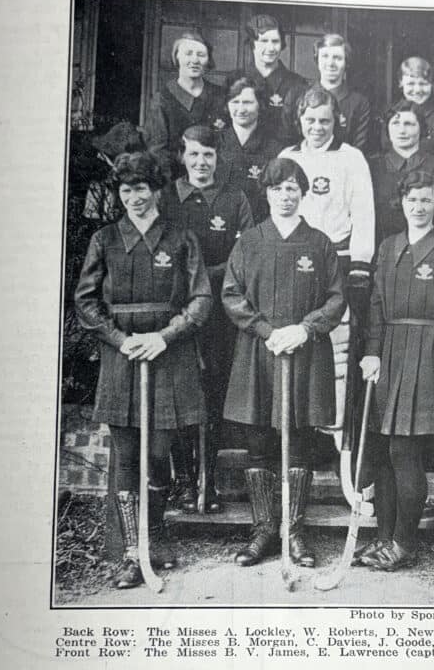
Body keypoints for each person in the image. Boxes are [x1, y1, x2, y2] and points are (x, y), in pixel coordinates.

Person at [74, 150, 212, 589]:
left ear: (156, 191)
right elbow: (86, 301)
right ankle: (133, 552)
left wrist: (164, 337)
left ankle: (156, 536)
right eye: (126, 189)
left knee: (159, 454)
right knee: (129, 455)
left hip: (168, 355)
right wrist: (121, 339)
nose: (134, 197)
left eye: (142, 189)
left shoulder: (180, 238)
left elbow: (201, 299)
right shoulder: (105, 240)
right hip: (123, 357)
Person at [222, 158, 346, 568]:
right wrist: (266, 330)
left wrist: (306, 328)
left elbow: (336, 297)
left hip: (305, 354)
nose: (286, 195)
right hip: (261, 352)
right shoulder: (250, 241)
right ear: (268, 194)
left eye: (293, 187)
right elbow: (231, 293)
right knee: (258, 441)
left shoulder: (320, 243)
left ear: (303, 193)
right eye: (278, 189)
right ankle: (262, 530)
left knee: (300, 443)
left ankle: (294, 531)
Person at [357, 170, 434, 571]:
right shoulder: (388, 247)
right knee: (387, 452)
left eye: (425, 200)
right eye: (412, 200)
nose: (418, 207)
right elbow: (375, 307)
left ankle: (403, 545)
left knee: (406, 453)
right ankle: (384, 539)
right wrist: (372, 352)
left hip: (430, 358)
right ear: (402, 203)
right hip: (390, 355)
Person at [160, 125, 254, 514]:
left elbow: (244, 254)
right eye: (194, 154)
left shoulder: (235, 200)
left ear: (219, 158)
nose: (201, 162)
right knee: (182, 393)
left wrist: (208, 280)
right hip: (176, 311)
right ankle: (184, 482)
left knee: (212, 394)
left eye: (209, 155)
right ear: (182, 156)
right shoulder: (166, 199)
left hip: (220, 313)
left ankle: (208, 481)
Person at [279, 86, 375, 432]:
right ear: (299, 120)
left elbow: (363, 213)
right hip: (295, 262)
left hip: (338, 259)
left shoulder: (351, 157)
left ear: (336, 121)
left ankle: (334, 433)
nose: (317, 127)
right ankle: (297, 431)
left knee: (336, 347)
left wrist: (360, 264)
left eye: (324, 120)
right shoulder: (287, 156)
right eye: (310, 120)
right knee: (297, 336)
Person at [368, 100, 434, 244]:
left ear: (422, 129)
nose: (402, 130)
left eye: (409, 124)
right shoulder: (372, 167)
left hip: (428, 253)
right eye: (395, 124)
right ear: (387, 129)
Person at [142, 28, 226, 176]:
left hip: (215, 177)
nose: (194, 60)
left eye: (201, 55)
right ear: (177, 57)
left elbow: (228, 143)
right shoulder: (163, 99)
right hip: (176, 179)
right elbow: (157, 151)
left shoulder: (220, 96)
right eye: (188, 54)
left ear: (208, 60)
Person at [217, 76, 287, 223]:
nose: (241, 109)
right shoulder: (214, 143)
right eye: (235, 102)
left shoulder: (275, 149)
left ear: (260, 105)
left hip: (259, 225)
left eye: (248, 102)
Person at [286, 33, 371, 152]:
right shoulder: (296, 95)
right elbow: (288, 141)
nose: (330, 63)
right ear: (317, 59)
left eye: (337, 58)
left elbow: (359, 149)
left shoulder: (359, 103)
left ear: (346, 62)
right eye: (325, 56)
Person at [228, 14, 308, 139]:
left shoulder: (297, 83)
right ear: (252, 43)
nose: (270, 48)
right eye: (264, 41)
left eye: (275, 41)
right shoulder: (234, 79)